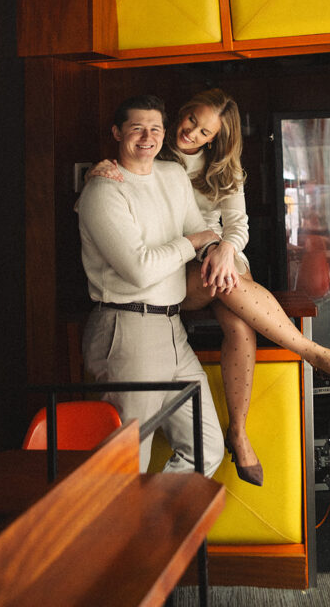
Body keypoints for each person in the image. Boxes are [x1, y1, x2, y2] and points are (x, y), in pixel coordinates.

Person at [86, 88, 330, 486]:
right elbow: (137, 249)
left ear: (216, 138)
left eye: (205, 132)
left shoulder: (206, 169)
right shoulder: (142, 165)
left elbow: (235, 225)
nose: (193, 133)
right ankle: (313, 352)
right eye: (190, 122)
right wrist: (99, 171)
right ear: (180, 116)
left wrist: (221, 247)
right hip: (166, 284)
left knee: (238, 321)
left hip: (210, 263)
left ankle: (236, 433)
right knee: (129, 453)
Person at [77, 94, 225, 477]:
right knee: (128, 462)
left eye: (155, 128)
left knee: (206, 449)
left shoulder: (172, 175)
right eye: (136, 128)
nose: (147, 137)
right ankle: (121, 537)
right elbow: (139, 270)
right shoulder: (102, 191)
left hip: (173, 329)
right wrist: (193, 243)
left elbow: (198, 228)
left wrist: (215, 247)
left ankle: (153, 533)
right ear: (117, 132)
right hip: (127, 328)